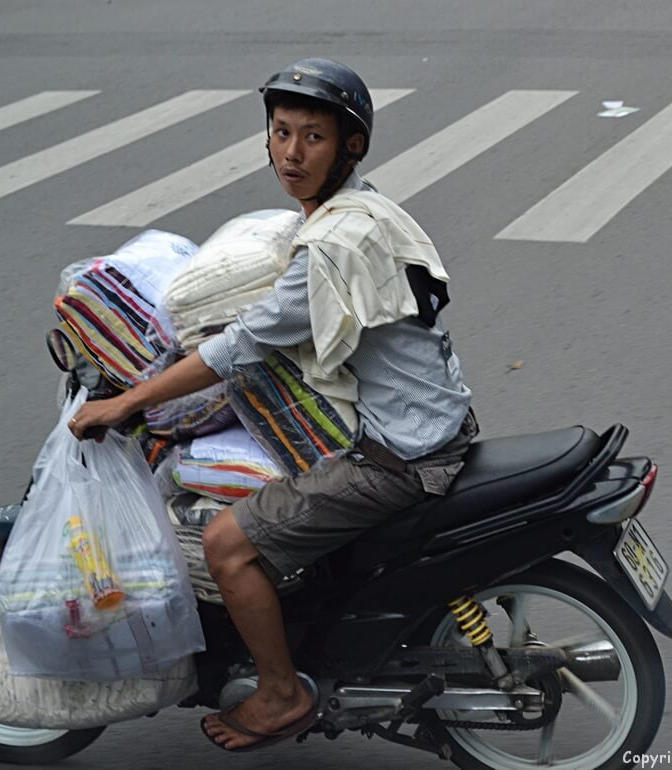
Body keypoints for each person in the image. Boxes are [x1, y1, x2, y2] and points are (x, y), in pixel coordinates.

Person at [69, 58, 476, 752]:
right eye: (281, 132)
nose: (291, 152)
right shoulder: (365, 208)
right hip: (438, 420)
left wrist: (129, 401)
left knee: (227, 545)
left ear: (351, 146)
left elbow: (238, 346)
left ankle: (282, 692)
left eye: (312, 137)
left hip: (399, 458)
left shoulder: (328, 249)